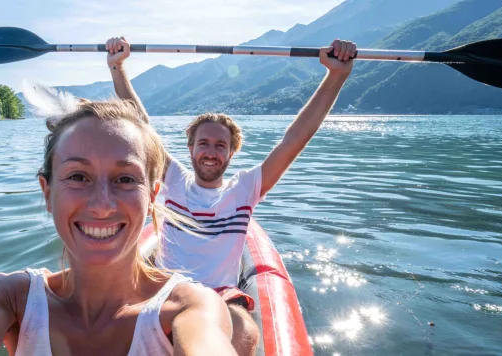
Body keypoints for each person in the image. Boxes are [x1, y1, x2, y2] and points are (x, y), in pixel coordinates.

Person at [0, 100, 237, 355]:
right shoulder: (9, 298)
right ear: (47, 193)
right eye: (78, 176)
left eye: (125, 179)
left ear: (152, 196)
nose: (102, 204)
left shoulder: (188, 308)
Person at [105, 36, 357, 356]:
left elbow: (296, 137)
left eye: (220, 145)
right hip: (167, 289)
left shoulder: (245, 188)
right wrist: (117, 67)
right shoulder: (172, 180)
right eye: (204, 143)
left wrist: (336, 77)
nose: (211, 152)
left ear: (232, 152)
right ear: (191, 148)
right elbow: (140, 123)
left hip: (220, 296)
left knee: (243, 331)